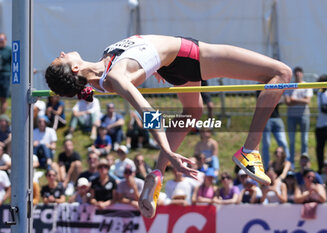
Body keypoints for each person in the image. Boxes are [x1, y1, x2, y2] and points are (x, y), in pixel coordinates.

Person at [44, 34, 292, 217]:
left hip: (172, 65)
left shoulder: (103, 73)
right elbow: (148, 112)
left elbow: (140, 57)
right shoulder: (115, 77)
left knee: (193, 112)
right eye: (59, 58)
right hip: (191, 56)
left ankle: (156, 174)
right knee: (281, 73)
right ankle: (249, 151)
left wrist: (156, 65)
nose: (62, 52)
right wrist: (169, 150)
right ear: (74, 68)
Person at [284, 67, 313, 167]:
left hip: (303, 115)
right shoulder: (289, 86)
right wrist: (300, 100)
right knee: (291, 141)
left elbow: (307, 101)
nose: (297, 75)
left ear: (302, 74)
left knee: (304, 140)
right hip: (292, 116)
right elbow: (287, 102)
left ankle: (304, 163)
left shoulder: (306, 85)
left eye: (299, 73)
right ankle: (291, 163)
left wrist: (294, 99)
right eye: (296, 73)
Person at [259, 96, 290, 169]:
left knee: (283, 143)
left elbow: (283, 99)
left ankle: (287, 165)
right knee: (266, 144)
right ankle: (266, 167)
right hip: (266, 119)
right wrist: (275, 99)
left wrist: (274, 100)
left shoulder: (275, 85)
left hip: (277, 118)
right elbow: (264, 101)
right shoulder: (260, 87)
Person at [0, 33, 11, 115]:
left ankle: (2, 117)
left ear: (5, 40)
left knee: (3, 98)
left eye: (2, 40)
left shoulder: (9, 50)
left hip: (5, 76)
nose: (1, 42)